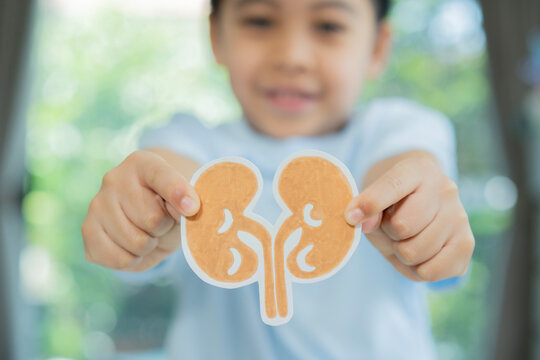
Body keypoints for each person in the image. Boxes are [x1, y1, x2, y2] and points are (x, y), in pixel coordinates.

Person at [81, 0, 475, 358]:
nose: (291, 57)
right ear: (216, 35)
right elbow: (168, 176)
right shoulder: (185, 140)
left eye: (329, 27)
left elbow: (402, 171)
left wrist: (420, 215)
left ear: (377, 47)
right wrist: (140, 212)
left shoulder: (400, 130)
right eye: (259, 20)